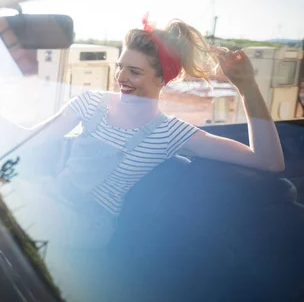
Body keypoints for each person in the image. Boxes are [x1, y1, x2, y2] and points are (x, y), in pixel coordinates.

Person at [17, 16, 285, 301]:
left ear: (161, 79)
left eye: (134, 72)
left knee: (7, 208)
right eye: (120, 67)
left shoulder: (170, 132)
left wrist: (246, 87)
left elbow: (269, 160)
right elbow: (31, 141)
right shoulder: (90, 102)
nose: (121, 78)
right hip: (54, 195)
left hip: (90, 222)